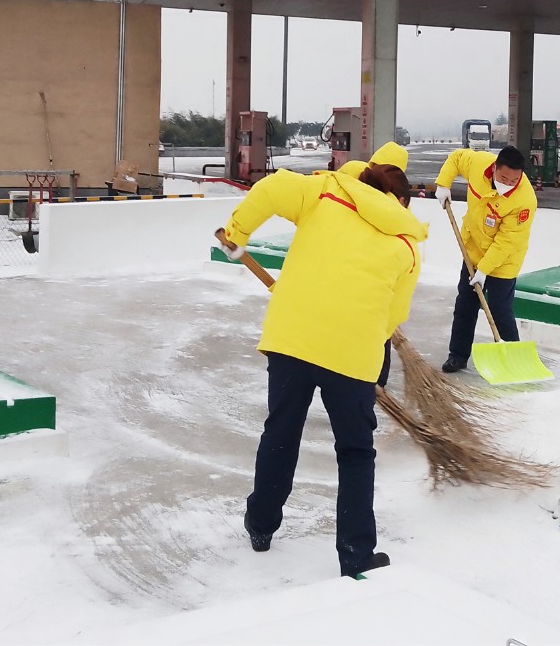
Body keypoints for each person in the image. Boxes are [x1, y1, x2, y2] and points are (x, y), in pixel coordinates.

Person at [218, 153, 426, 579]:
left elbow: (272, 187)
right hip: (351, 356)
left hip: (292, 339)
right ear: (400, 201)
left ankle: (261, 526)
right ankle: (356, 556)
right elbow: (394, 315)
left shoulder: (326, 192)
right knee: (355, 453)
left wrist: (237, 233)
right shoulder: (407, 246)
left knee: (281, 432)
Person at [433, 144, 537, 373]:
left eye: (514, 180)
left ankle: (513, 360)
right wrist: (443, 184)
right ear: (494, 168)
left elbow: (506, 242)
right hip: (472, 252)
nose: (508, 184)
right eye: (504, 178)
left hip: (503, 261)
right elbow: (457, 158)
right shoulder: (478, 164)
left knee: (499, 309)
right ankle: (457, 356)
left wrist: (484, 270)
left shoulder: (524, 200)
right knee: (465, 305)